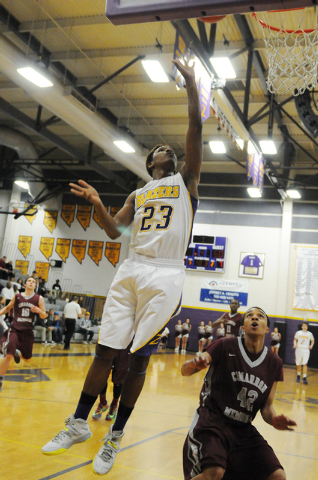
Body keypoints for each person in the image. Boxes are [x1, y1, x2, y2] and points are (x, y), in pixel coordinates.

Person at [42, 58, 203, 476]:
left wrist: (191, 87)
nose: (166, 149)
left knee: (140, 360)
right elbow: (114, 233)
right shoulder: (138, 193)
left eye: (171, 148)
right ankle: (78, 422)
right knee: (104, 350)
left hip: (166, 271)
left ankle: (115, 436)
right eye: (159, 150)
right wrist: (97, 206)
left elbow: (195, 132)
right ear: (150, 163)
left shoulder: (186, 182)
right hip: (132, 267)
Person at [181, 306, 297, 480]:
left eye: (260, 316)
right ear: (243, 327)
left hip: (243, 430)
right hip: (212, 421)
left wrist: (273, 419)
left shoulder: (275, 362)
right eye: (249, 316)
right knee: (215, 473)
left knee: (278, 476)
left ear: (267, 329)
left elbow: (267, 406)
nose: (254, 318)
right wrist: (193, 365)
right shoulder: (225, 345)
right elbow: (185, 371)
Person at [0, 276, 47, 391]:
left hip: (27, 332)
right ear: (25, 284)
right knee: (9, 355)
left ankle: (17, 352)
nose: (31, 283)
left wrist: (39, 311)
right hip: (15, 329)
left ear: (35, 286)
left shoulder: (39, 298)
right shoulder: (17, 296)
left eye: (33, 282)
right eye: (29, 281)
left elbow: (44, 315)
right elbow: (7, 308)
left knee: (27, 359)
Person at [92, 345, 131, 422]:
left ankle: (114, 404)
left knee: (119, 380)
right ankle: (103, 403)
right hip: (109, 342)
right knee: (101, 376)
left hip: (125, 346)